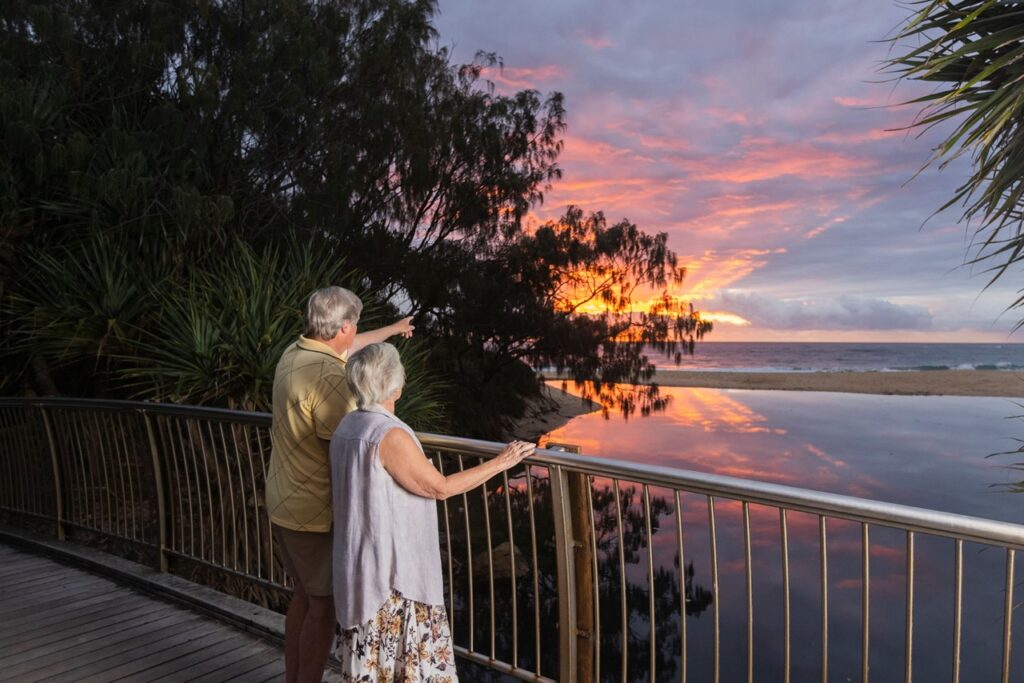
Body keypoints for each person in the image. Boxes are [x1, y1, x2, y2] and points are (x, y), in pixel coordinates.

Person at [330, 342, 534, 682]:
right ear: (393, 383)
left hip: (360, 566)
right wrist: (504, 462)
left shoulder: (348, 425)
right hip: (393, 580)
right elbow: (439, 487)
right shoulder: (388, 434)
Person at [265, 286, 414, 683]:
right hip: (313, 510)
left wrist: (394, 328)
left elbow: (352, 344)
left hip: (284, 500)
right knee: (323, 606)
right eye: (356, 326)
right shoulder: (330, 377)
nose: (357, 332)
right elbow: (347, 449)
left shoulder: (294, 353)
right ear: (344, 327)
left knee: (303, 595)